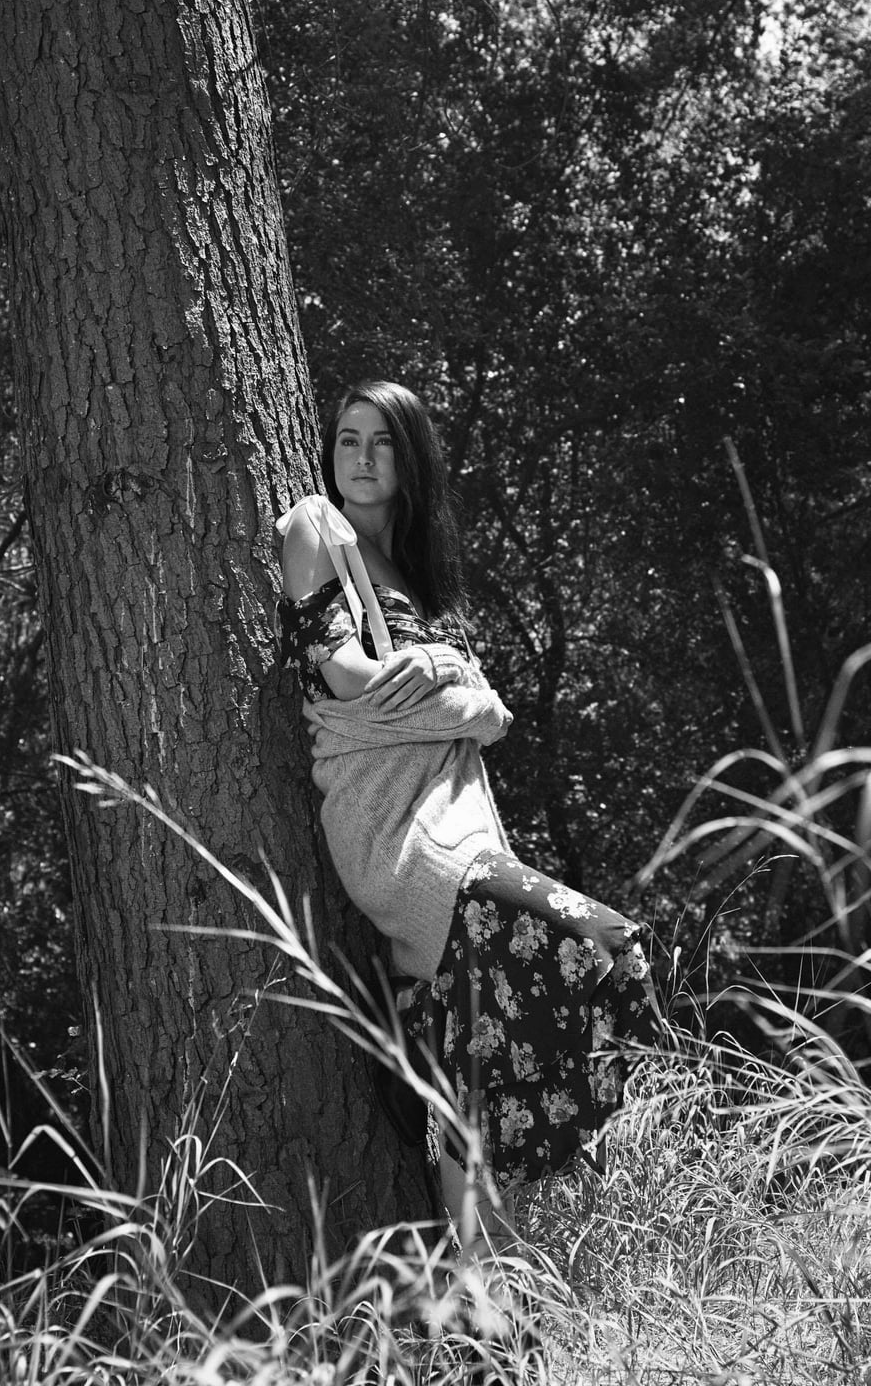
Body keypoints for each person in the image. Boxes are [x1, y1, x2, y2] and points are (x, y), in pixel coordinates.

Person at [276, 381, 656, 1254]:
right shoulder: (314, 530)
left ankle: (480, 1296)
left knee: (476, 1065)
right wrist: (458, 691)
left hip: (462, 819)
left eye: (381, 441)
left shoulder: (420, 575)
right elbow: (350, 685)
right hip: (395, 833)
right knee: (603, 942)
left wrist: (454, 687)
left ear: (409, 457)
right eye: (347, 439)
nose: (361, 458)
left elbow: (482, 709)